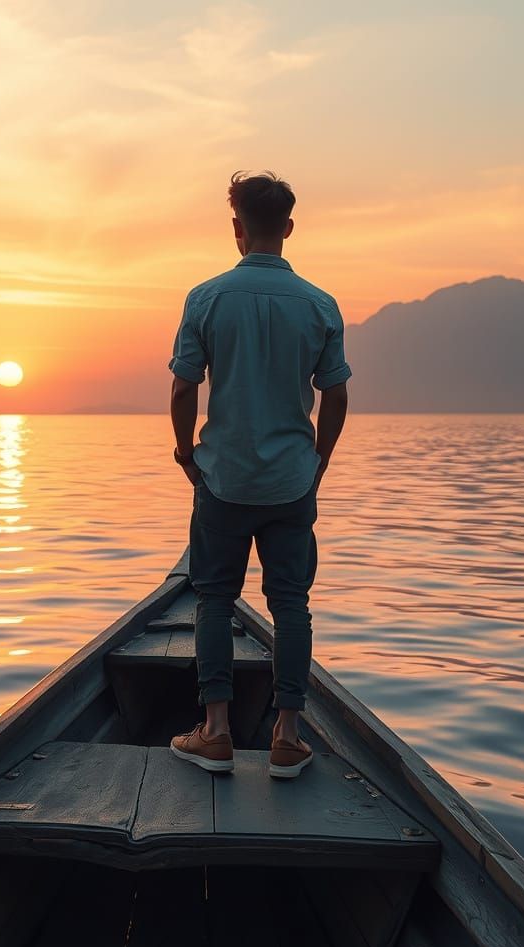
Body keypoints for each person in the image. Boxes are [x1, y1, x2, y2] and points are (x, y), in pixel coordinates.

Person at [168, 170, 351, 780]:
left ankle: (215, 732)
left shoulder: (207, 298)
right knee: (291, 604)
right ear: (289, 229)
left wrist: (184, 453)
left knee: (215, 600)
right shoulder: (320, 305)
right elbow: (336, 396)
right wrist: (317, 462)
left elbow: (184, 386)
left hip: (222, 479)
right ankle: (288, 736)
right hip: (292, 482)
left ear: (237, 230)